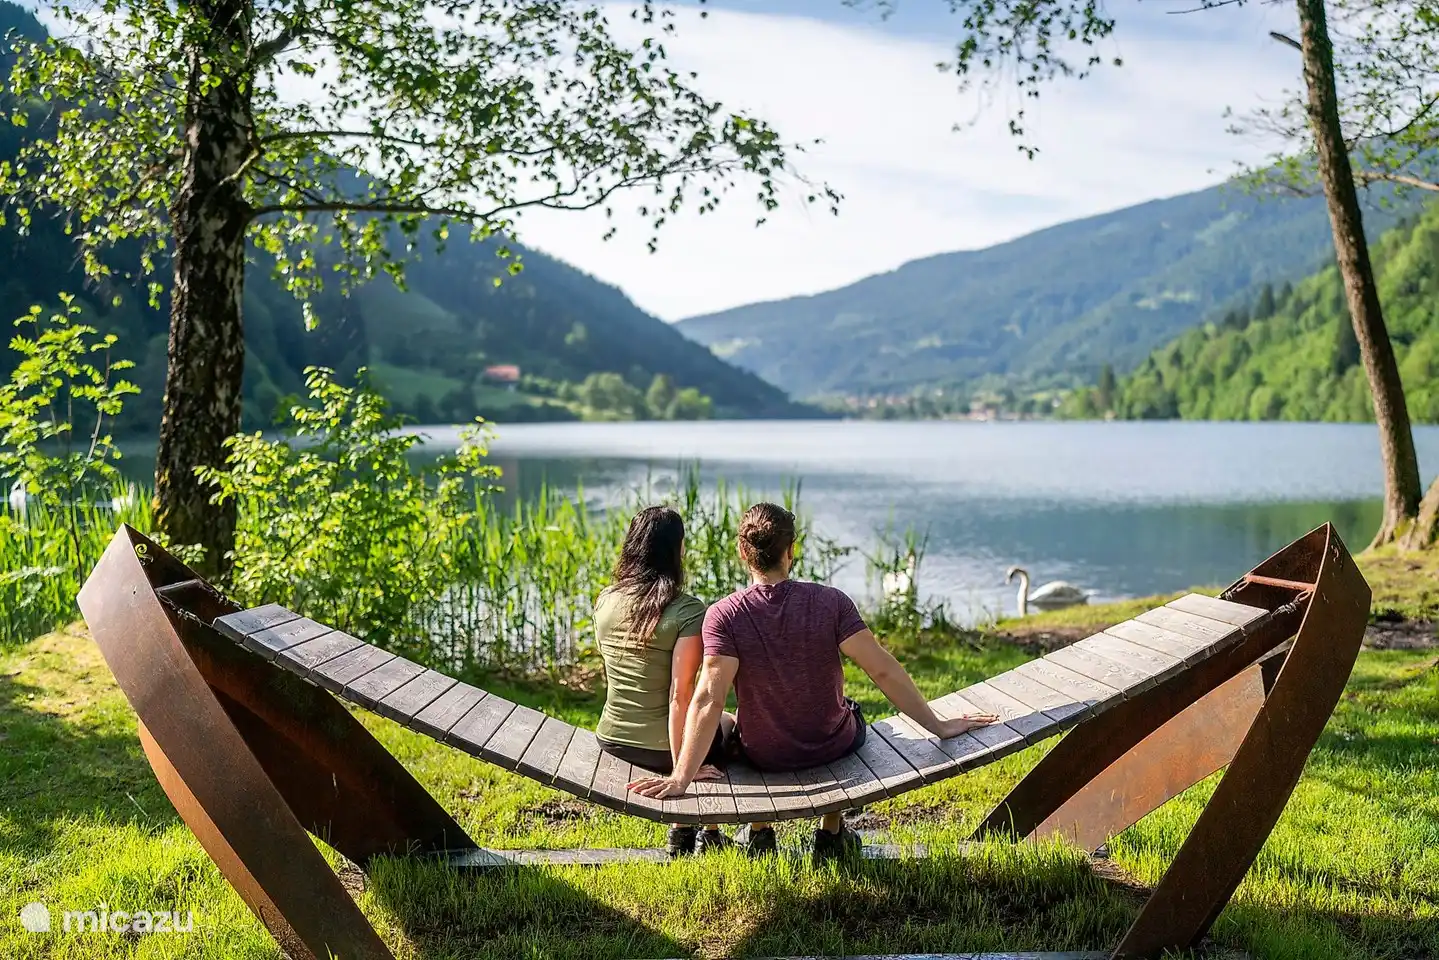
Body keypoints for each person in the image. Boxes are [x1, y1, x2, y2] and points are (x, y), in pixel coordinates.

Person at [628, 502, 998, 860]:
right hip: (831, 744)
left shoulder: (724, 615)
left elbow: (708, 697)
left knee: (737, 723)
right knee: (848, 708)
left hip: (765, 753)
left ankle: (759, 833)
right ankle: (830, 831)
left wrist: (681, 777)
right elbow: (882, 669)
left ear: (743, 551)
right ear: (791, 550)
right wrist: (938, 725)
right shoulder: (831, 602)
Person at [594, 505, 735, 858]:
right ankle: (706, 832)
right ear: (678, 549)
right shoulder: (686, 610)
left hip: (612, 739)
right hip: (659, 750)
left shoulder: (605, 601)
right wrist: (680, 769)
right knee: (728, 723)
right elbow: (680, 697)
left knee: (715, 724)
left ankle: (685, 833)